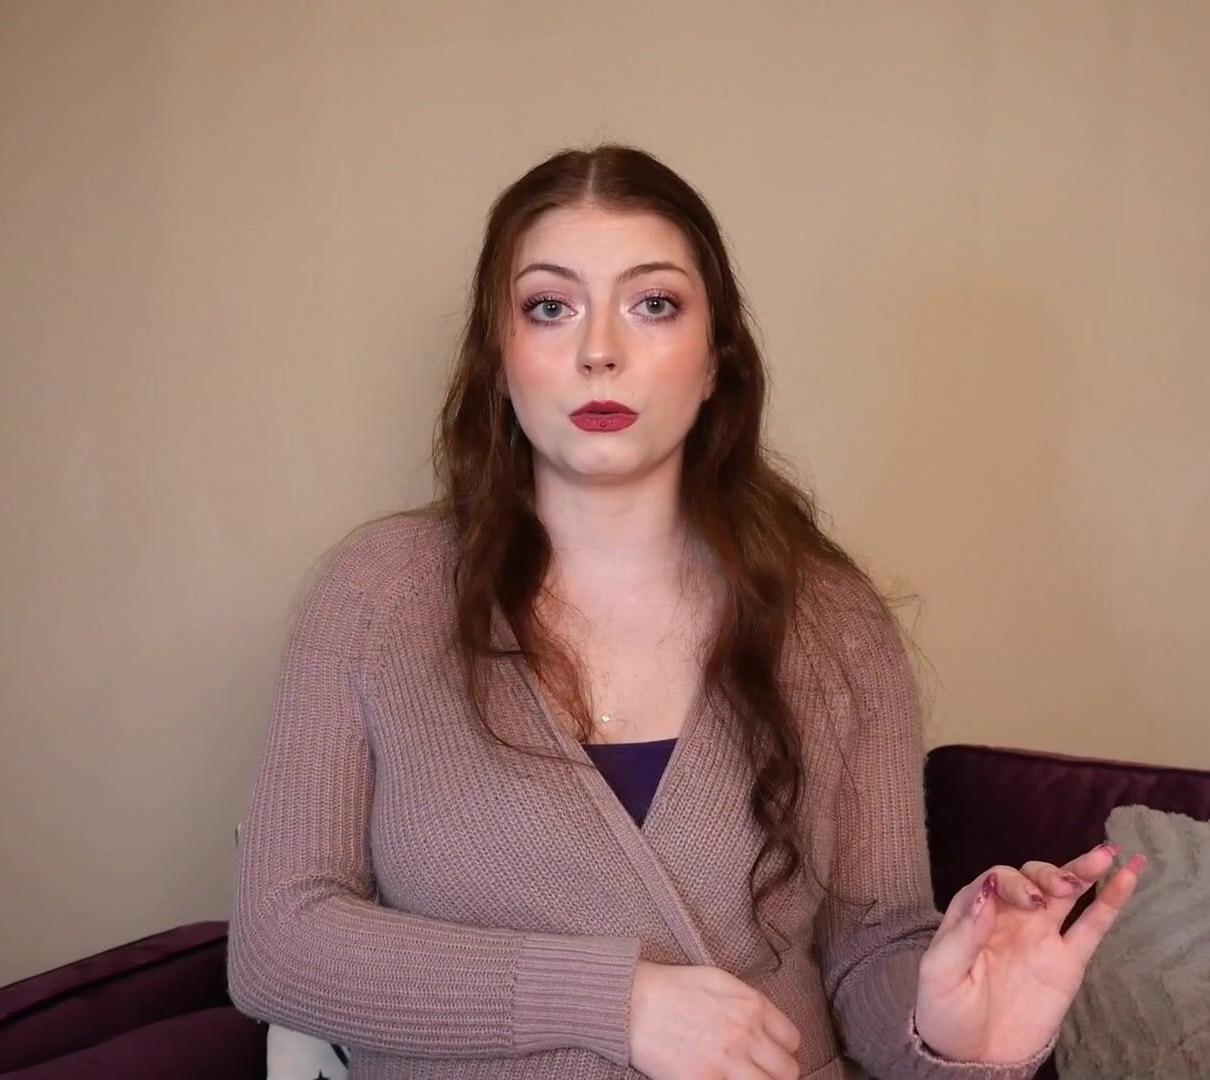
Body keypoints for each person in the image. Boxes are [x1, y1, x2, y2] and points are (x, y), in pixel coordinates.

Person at [228, 143, 1146, 1080]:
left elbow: (871, 947)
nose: (599, 350)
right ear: (498, 361)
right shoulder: (376, 595)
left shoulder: (831, 621)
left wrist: (952, 1030)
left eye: (653, 304)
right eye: (549, 306)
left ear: (715, 362)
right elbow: (279, 944)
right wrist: (616, 1003)